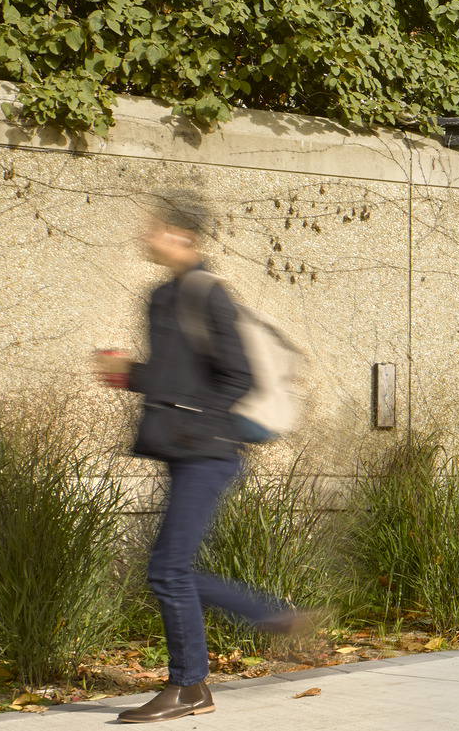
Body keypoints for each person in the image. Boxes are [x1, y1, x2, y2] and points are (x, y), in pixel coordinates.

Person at [95, 192, 310, 722]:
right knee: (170, 569)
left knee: (167, 569)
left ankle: (191, 686)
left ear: (181, 235)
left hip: (210, 452)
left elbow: (239, 377)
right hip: (184, 447)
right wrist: (129, 374)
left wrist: (197, 427)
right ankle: (268, 617)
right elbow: (177, 379)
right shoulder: (161, 297)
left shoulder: (208, 295)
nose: (146, 236)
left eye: (154, 227)